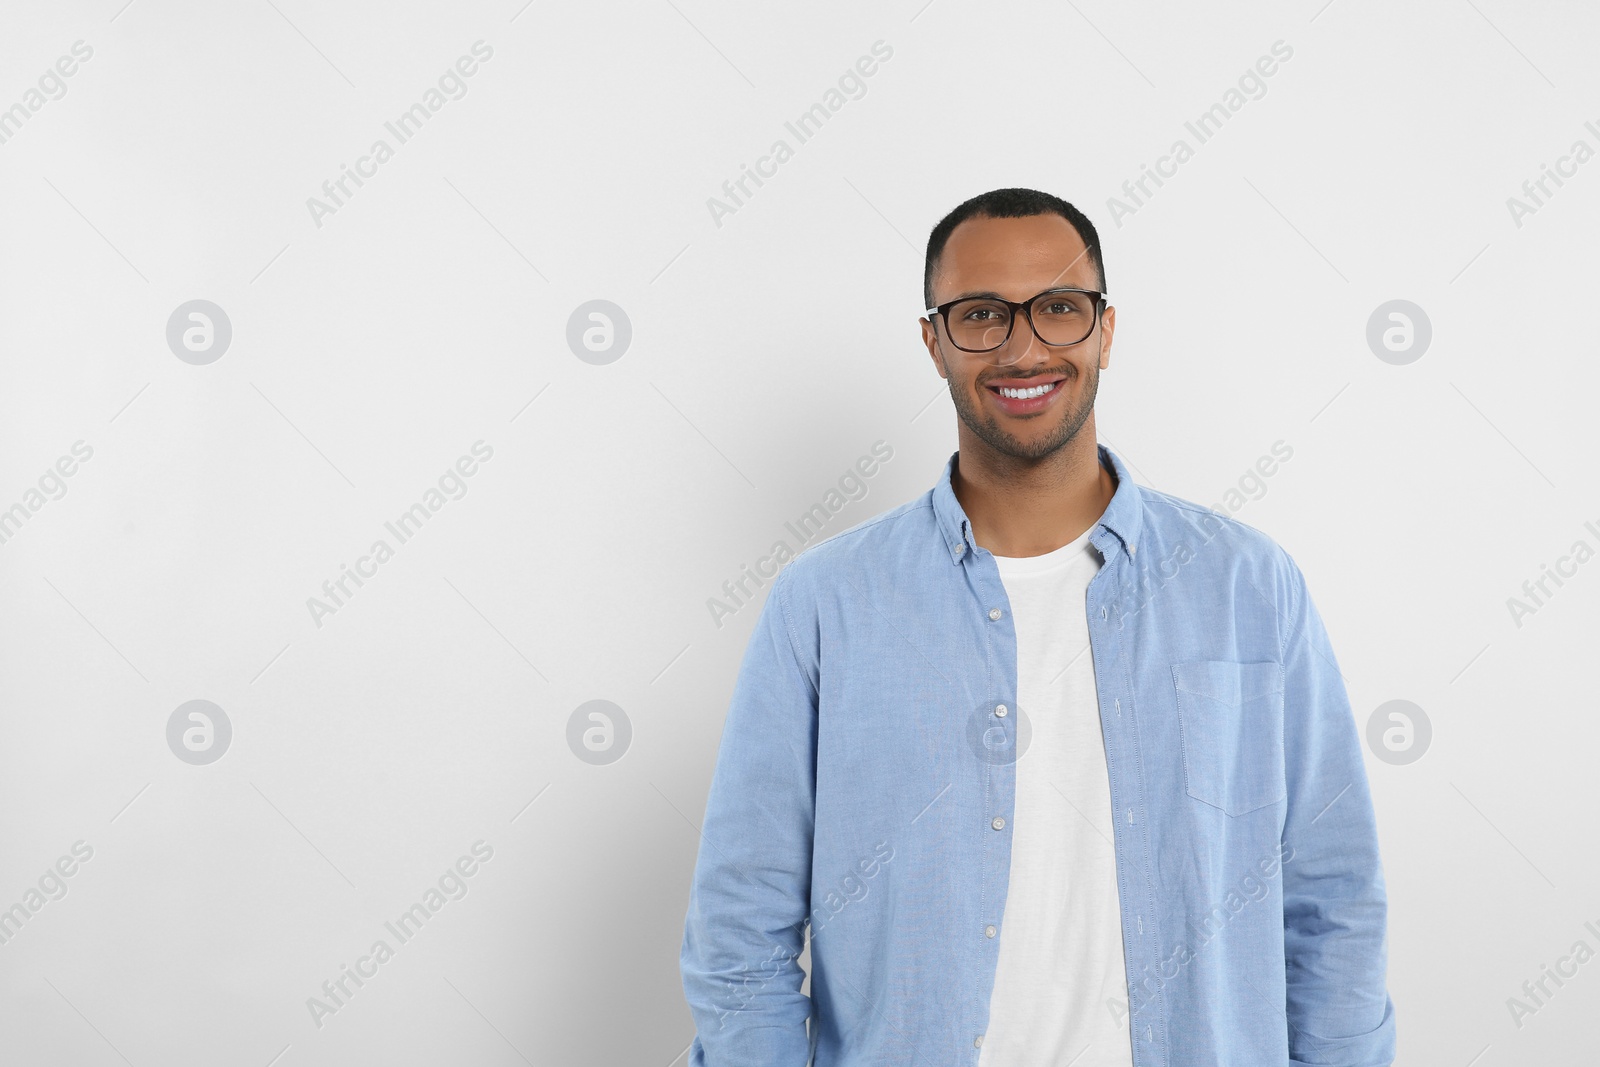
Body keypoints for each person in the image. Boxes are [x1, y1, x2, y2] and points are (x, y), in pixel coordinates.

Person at [679, 187, 1396, 1066]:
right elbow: (740, 929)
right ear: (933, 340)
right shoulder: (825, 603)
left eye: (1059, 308)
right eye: (982, 314)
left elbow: (1333, 903)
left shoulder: (1248, 584)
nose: (1024, 346)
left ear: (1104, 329)